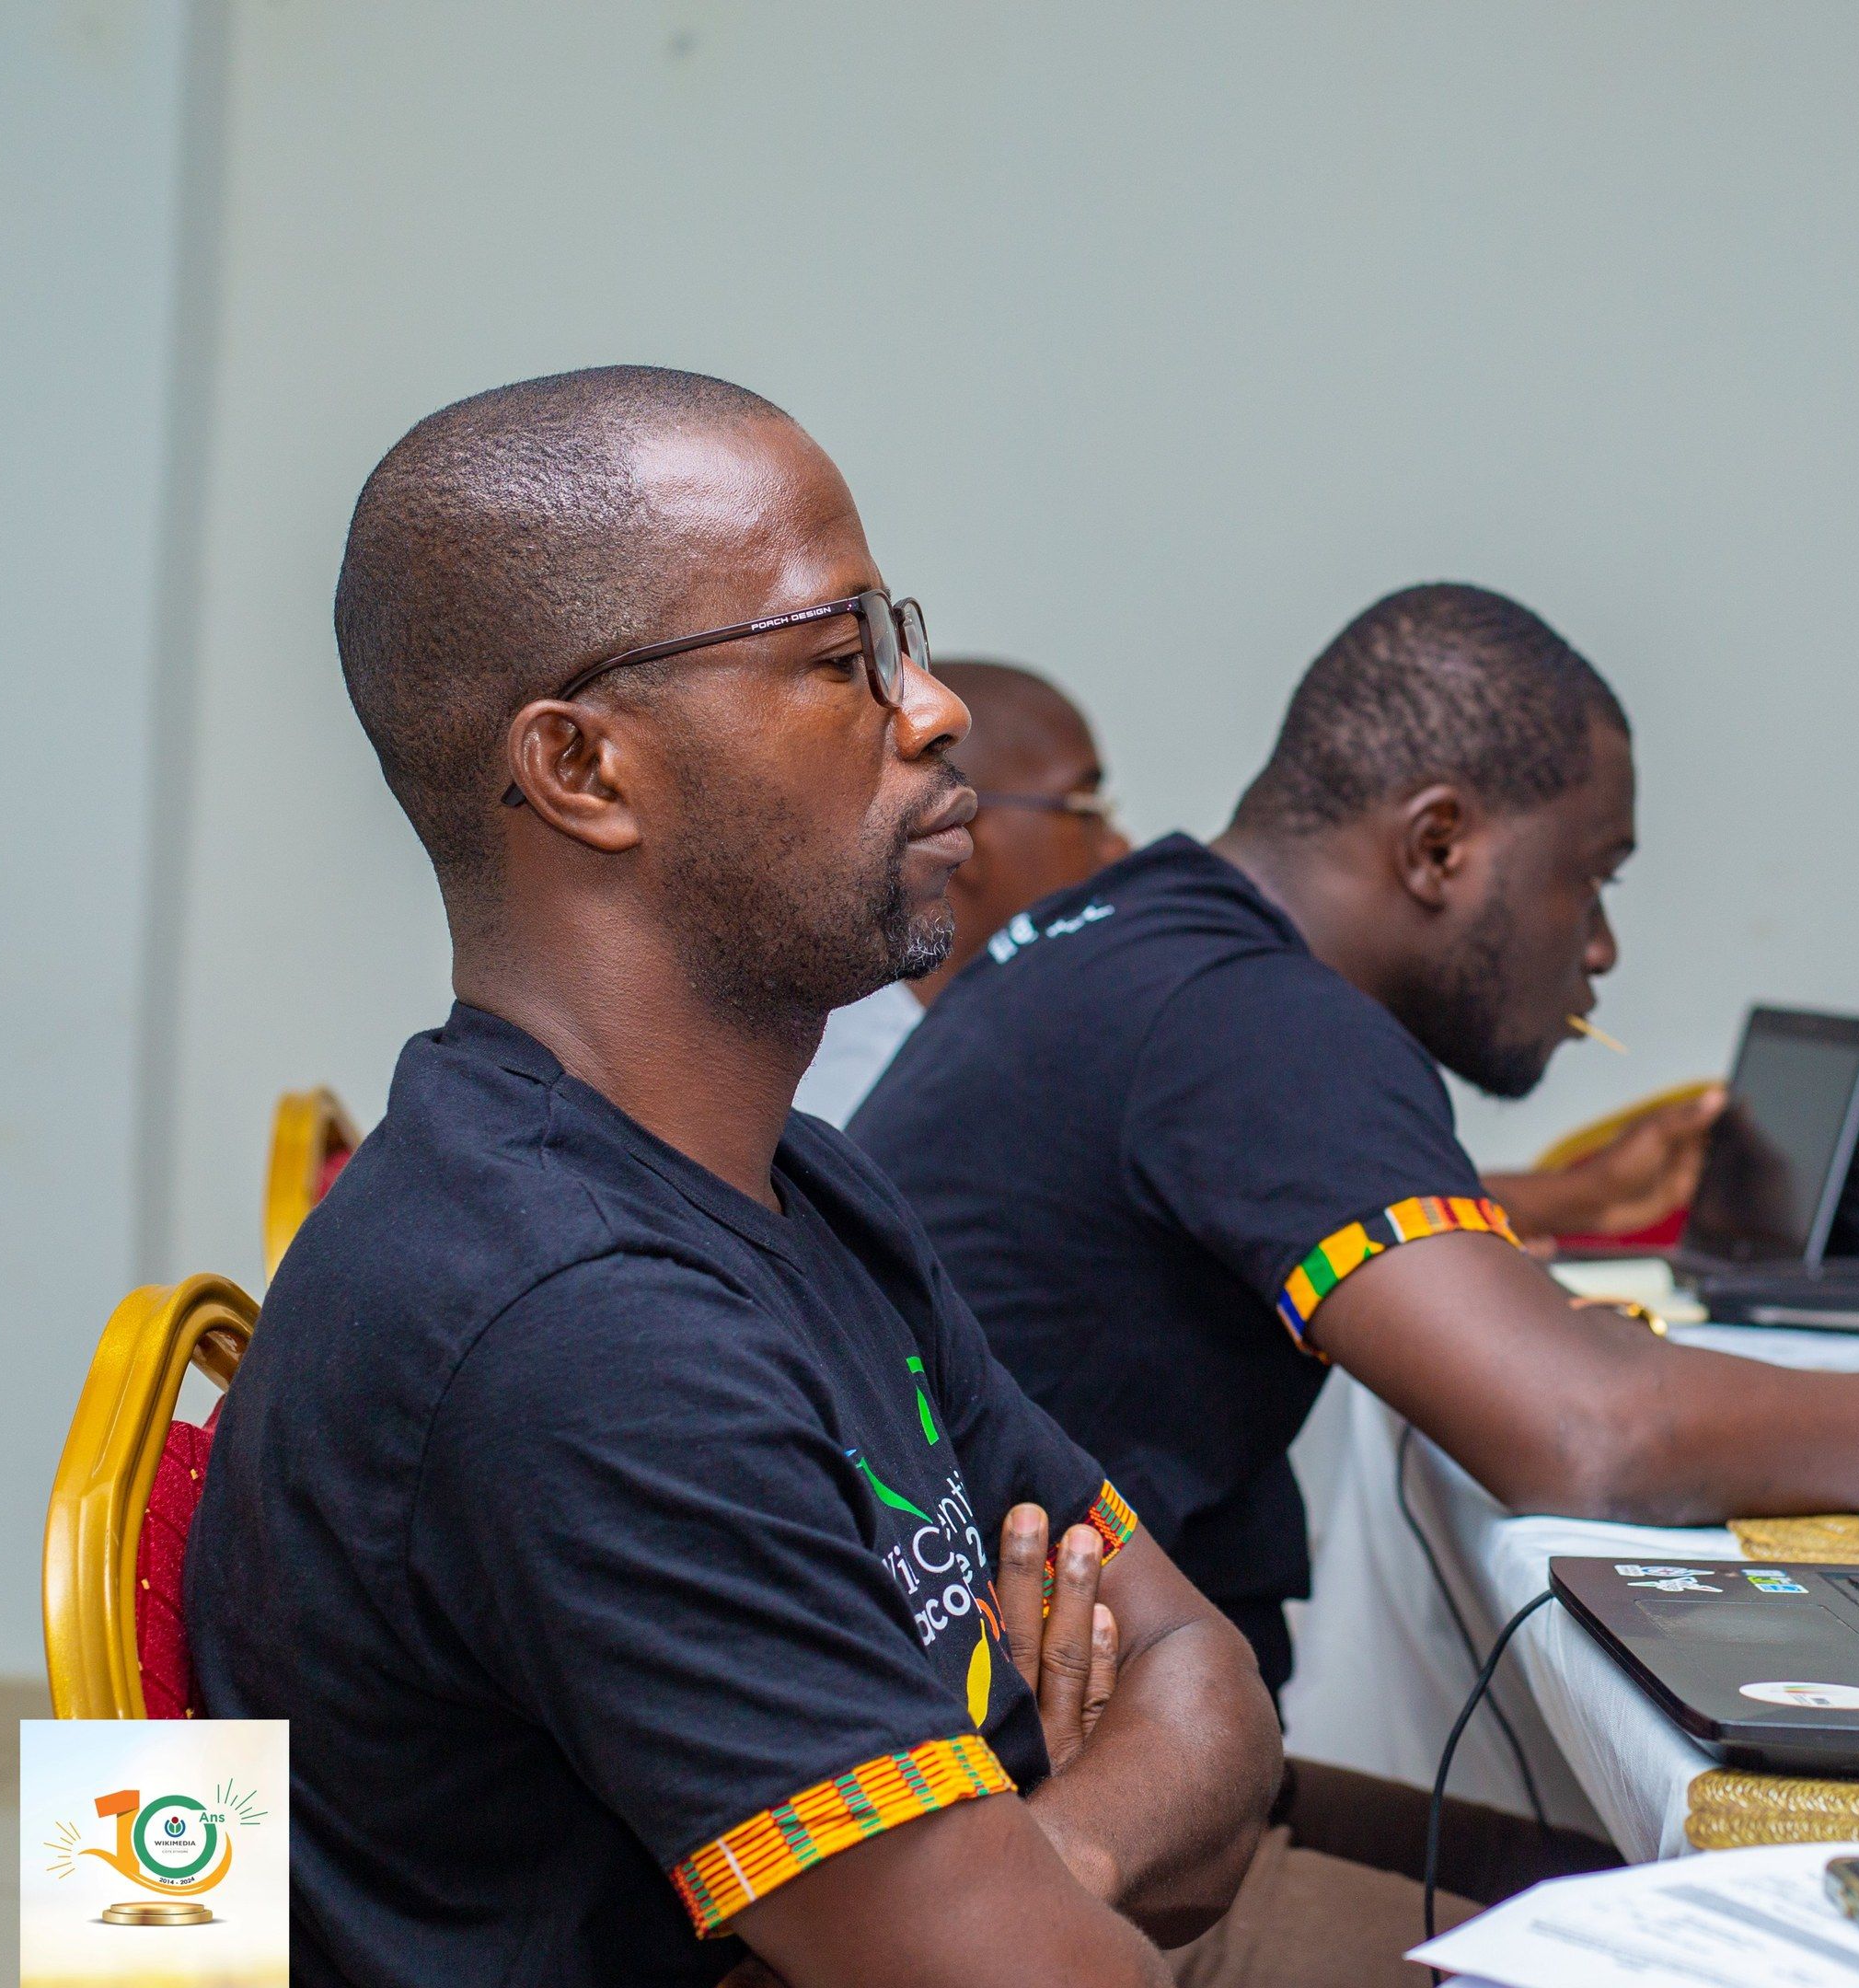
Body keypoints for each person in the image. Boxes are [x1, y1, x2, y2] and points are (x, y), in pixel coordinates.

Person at [187, 367, 1282, 1988]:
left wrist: (1051, 1858)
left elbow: (1202, 1668)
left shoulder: (797, 1191)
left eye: (901, 642)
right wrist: (1034, 1870)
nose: (935, 709)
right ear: (584, 770)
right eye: (843, 659)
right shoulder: (580, 1330)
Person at [851, 583, 1859, 1708]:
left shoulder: (1148, 938)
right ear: (1440, 846)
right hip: (1048, 1846)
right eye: (1589, 878)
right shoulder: (1254, 1014)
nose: (1599, 947)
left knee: (1576, 1858)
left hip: (1033, 1769)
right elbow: (1589, 1434)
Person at [795, 660, 1133, 1125]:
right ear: (957, 827)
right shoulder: (850, 1099)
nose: (1118, 848)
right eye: (1085, 810)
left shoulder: (1005, 1049)